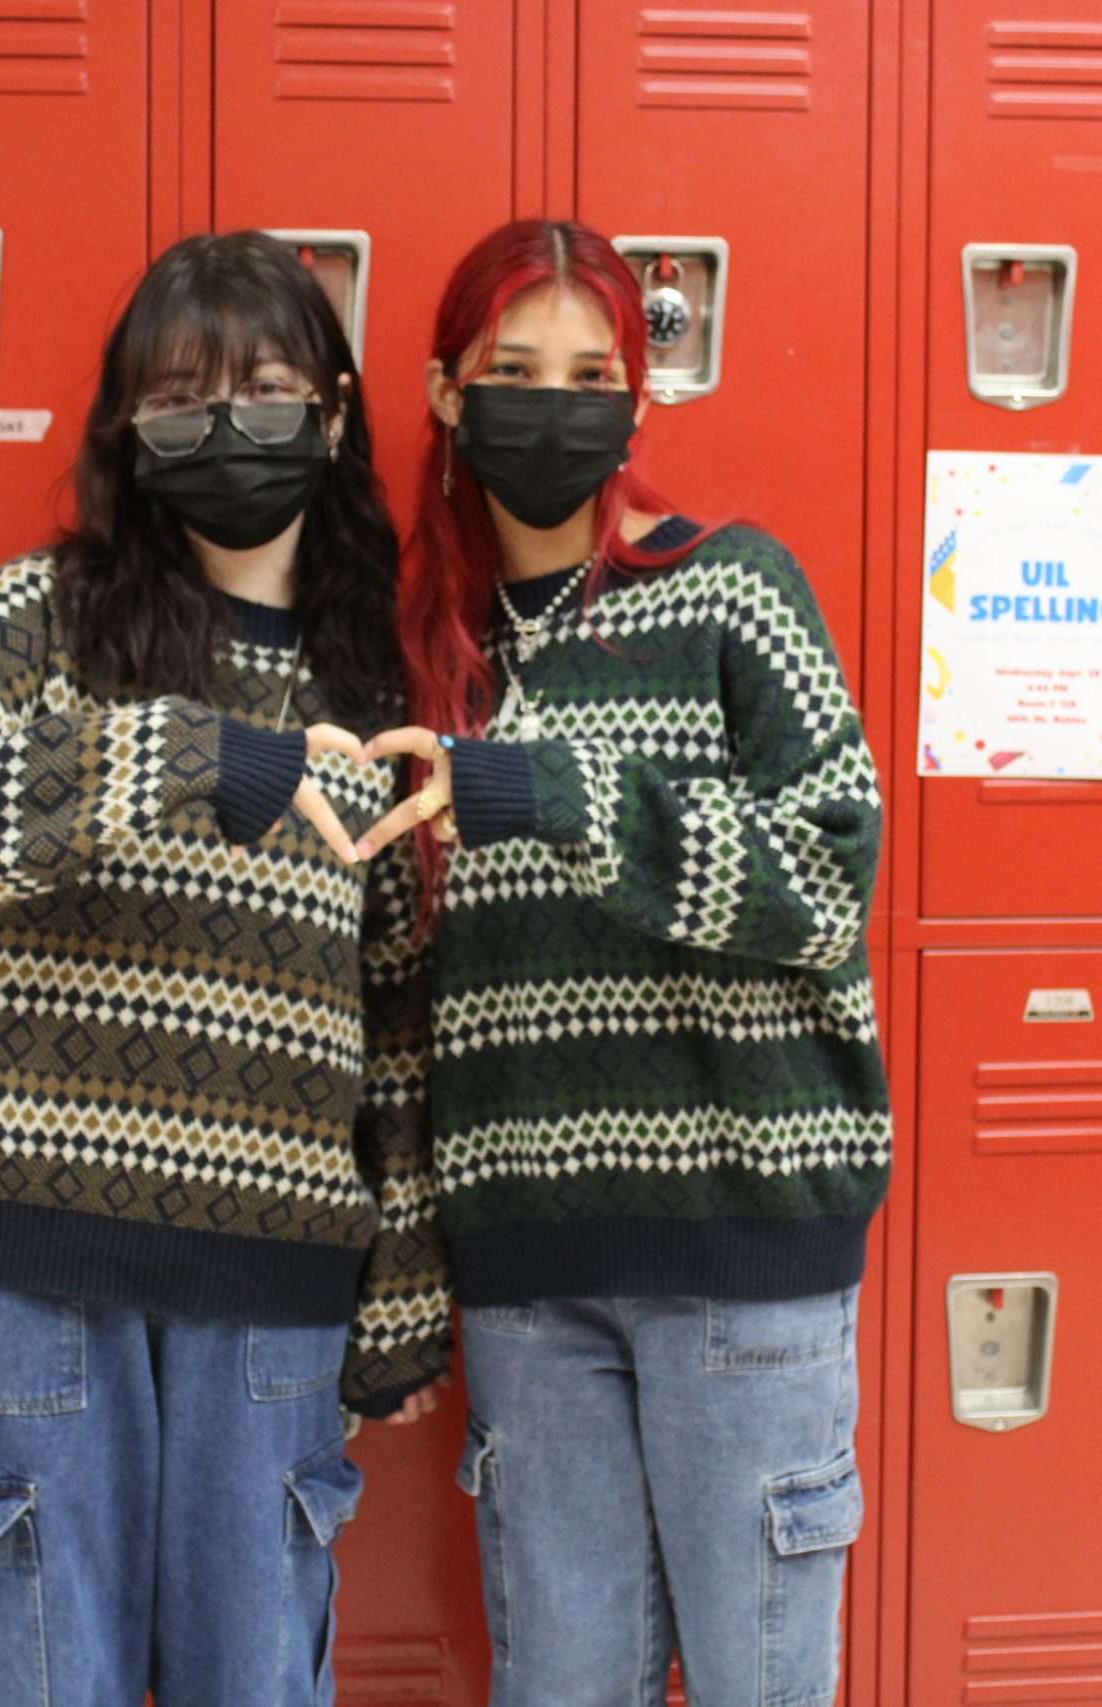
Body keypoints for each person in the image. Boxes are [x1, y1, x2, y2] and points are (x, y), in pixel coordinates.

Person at [0, 230, 451, 1707]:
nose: (225, 427)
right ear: (127, 430)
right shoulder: (40, 620)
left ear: (331, 405)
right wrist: (186, 754)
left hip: (273, 1284)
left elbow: (398, 1012)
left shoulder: (375, 669)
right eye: (181, 398)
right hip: (25, 1260)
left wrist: (406, 1283)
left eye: (263, 386)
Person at [356, 218, 892, 1707]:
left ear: (634, 403)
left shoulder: (728, 590)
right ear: (447, 393)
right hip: (529, 1278)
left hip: (740, 1251)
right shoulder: (414, 648)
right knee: (562, 1686)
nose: (554, 403)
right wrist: (405, 1265)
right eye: (512, 371)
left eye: (591, 374)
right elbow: (394, 996)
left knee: (757, 1686)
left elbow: (827, 881)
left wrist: (550, 791)